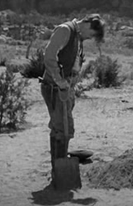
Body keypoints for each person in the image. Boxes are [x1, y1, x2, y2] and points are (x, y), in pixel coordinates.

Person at [41, 14, 105, 179]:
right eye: (90, 34)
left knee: (62, 128)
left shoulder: (77, 37)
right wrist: (60, 81)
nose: (89, 38)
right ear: (87, 24)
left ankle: (57, 169)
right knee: (62, 129)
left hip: (64, 88)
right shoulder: (65, 30)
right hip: (56, 88)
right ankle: (59, 172)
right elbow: (49, 56)